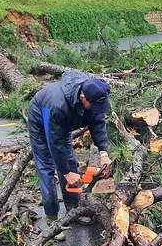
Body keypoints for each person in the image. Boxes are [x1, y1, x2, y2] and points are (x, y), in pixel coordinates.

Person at [28, 71, 113, 224]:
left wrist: (103, 152)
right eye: (93, 106)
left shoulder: (95, 94)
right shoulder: (57, 105)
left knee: (71, 163)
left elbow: (98, 124)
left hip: (63, 123)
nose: (96, 109)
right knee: (46, 168)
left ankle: (73, 209)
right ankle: (52, 218)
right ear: (82, 97)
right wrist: (66, 173)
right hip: (42, 120)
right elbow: (55, 142)